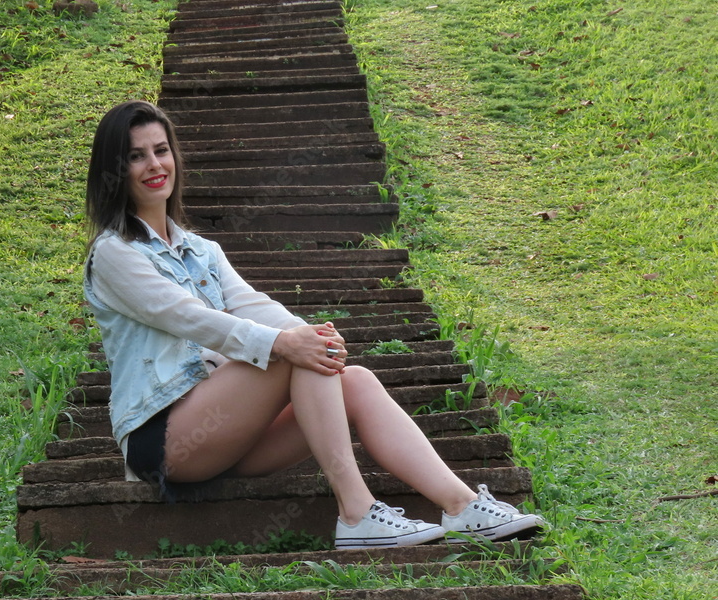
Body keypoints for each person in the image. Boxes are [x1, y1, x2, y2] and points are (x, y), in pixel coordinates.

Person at [82, 100, 544, 548]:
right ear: (114, 171)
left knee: (354, 379)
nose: (153, 164)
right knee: (290, 352)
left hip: (230, 432)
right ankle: (357, 514)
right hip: (165, 439)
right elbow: (191, 319)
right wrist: (291, 343)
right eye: (136, 156)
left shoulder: (203, 250)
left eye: (160, 150)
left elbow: (254, 305)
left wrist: (314, 335)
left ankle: (461, 505)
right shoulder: (114, 254)